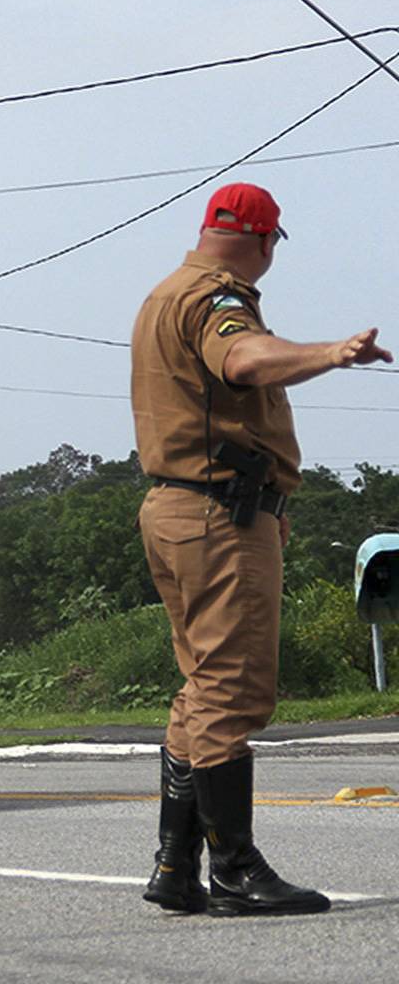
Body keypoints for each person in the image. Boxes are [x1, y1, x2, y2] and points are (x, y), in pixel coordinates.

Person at [130, 182, 391, 917]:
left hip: (182, 510)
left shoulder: (163, 296)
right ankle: (235, 870)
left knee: (200, 687)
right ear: (263, 239)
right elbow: (243, 360)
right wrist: (331, 353)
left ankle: (177, 864)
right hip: (218, 516)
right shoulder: (217, 299)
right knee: (232, 690)